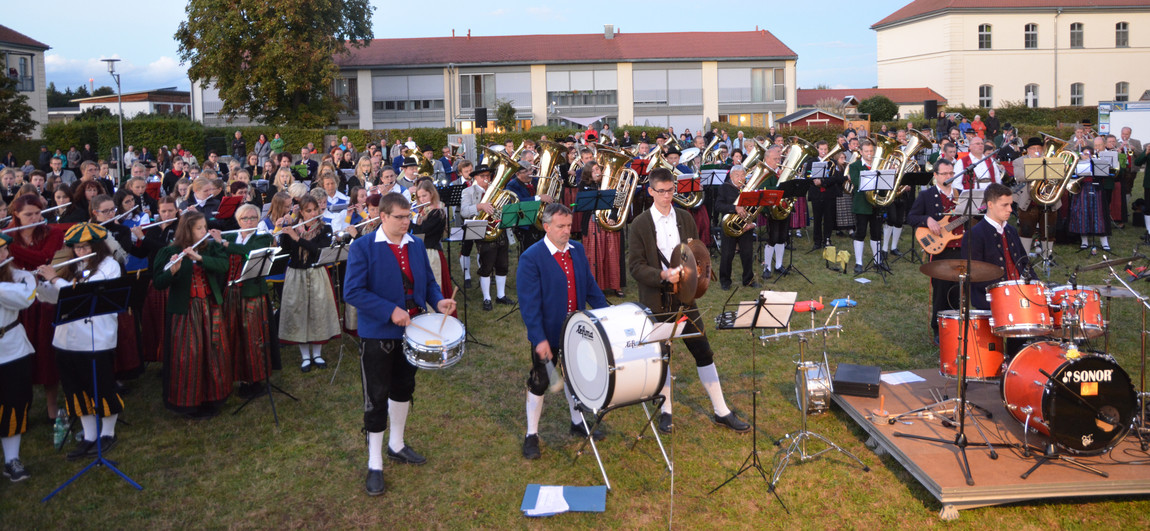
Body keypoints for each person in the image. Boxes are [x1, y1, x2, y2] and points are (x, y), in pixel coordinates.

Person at [344, 192, 456, 496]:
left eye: (409, 217)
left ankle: (396, 444)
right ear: (383, 217)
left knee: (404, 388)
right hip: (377, 333)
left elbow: (429, 282)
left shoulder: (416, 244)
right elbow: (352, 292)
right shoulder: (363, 247)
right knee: (376, 397)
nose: (407, 222)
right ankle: (375, 462)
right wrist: (389, 310)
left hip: (413, 331)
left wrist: (437, 300)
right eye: (400, 217)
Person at [628, 168, 749, 435]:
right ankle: (666, 411)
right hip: (656, 299)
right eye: (661, 191)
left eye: (671, 190)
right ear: (650, 192)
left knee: (703, 350)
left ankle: (722, 411)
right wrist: (661, 275)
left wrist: (699, 273)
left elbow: (695, 253)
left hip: (685, 298)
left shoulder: (684, 218)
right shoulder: (639, 224)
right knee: (663, 356)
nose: (667, 196)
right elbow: (635, 266)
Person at [516, 203, 609, 459]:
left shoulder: (577, 251)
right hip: (547, 333)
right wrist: (539, 339)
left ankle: (577, 422)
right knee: (540, 381)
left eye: (569, 225)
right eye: (561, 226)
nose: (567, 231)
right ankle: (531, 434)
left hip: (576, 330)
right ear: (546, 227)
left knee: (577, 377)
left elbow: (590, 287)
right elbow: (529, 305)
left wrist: (608, 314)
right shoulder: (531, 258)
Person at [35, 223, 124, 459]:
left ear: (97, 246)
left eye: (85, 247)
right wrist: (42, 285)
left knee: (101, 387)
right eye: (76, 248)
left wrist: (55, 279)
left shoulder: (109, 266)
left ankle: (108, 433)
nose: (81, 252)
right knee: (76, 390)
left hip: (96, 339)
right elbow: (58, 298)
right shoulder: (73, 266)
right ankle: (89, 436)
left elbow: (85, 295)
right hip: (66, 341)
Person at [152, 212, 232, 418]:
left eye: (205, 227)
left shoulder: (210, 247)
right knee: (190, 355)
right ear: (187, 230)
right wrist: (173, 270)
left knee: (213, 351)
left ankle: (212, 398)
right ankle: (189, 402)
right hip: (185, 311)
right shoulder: (169, 251)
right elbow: (159, 283)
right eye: (199, 228)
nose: (204, 231)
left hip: (209, 305)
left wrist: (200, 258)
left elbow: (224, 265)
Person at [212, 204, 275, 398]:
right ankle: (235, 376)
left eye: (252, 218)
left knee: (253, 336)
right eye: (244, 219)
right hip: (231, 294)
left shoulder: (263, 237)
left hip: (252, 294)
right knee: (233, 334)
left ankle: (255, 378)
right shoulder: (230, 236)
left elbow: (249, 250)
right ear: (238, 221)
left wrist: (223, 244)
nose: (248, 222)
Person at [277, 195, 341, 371]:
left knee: (317, 312)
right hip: (296, 275)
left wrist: (298, 239)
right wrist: (283, 229)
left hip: (316, 273)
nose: (313, 213)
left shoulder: (325, 228)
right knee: (299, 312)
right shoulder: (294, 228)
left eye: (315, 209)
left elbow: (318, 251)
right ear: (301, 213)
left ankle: (317, 354)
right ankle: (305, 356)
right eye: (308, 210)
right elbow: (286, 250)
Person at [907, 160, 963, 344]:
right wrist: (927, 219)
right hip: (940, 250)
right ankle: (938, 329)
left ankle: (956, 327)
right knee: (941, 290)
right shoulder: (926, 195)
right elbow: (911, 217)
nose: (949, 176)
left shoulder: (961, 195)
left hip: (960, 248)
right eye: (945, 173)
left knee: (959, 290)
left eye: (951, 173)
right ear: (936, 176)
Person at [962, 183, 1035, 312]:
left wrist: (1037, 286)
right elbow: (975, 275)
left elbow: (1024, 262)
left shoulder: (1011, 231)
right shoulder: (974, 234)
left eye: (1011, 204)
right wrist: (1006, 292)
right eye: (1005, 205)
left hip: (1021, 296)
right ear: (990, 205)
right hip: (992, 301)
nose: (1010, 210)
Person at [0, 233, 36, 481]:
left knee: (14, 402)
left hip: (12, 348)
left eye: (4, 250)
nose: (3, 255)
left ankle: (11, 459)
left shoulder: (18, 276)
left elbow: (27, 298)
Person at [459, 164, 513, 310]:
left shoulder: (497, 191)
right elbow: (464, 211)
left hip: (499, 229)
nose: (486, 179)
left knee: (503, 264)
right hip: (482, 231)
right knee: (486, 265)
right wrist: (480, 206)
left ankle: (501, 295)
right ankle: (487, 298)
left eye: (488, 176)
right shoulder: (467, 191)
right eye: (482, 176)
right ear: (475, 177)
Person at [577, 162, 624, 296]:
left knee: (612, 254)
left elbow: (618, 203)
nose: (598, 172)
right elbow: (581, 204)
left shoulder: (611, 182)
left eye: (598, 168)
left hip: (609, 221)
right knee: (593, 254)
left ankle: (615, 285)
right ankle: (595, 285)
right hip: (592, 223)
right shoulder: (584, 186)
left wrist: (613, 216)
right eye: (594, 170)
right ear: (588, 174)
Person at [1012, 137, 1059, 259]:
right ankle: (1024, 256)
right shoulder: (1019, 161)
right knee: (1026, 229)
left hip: (1049, 200)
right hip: (1029, 201)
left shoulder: (1050, 160)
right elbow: (1019, 176)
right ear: (1028, 150)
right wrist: (1039, 170)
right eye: (1033, 148)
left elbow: (1059, 175)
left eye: (1039, 148)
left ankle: (1047, 256)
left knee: (1049, 230)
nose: (1036, 150)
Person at [714, 165, 757, 289]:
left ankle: (748, 280)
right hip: (729, 226)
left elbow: (756, 208)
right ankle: (725, 281)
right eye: (737, 175)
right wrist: (735, 208)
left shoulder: (749, 189)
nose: (740, 178)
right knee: (727, 254)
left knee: (748, 253)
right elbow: (718, 206)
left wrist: (753, 224)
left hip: (745, 226)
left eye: (743, 175)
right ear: (731, 176)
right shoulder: (724, 188)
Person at [850, 140, 888, 273]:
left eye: (871, 151)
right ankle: (858, 263)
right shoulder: (855, 166)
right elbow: (856, 182)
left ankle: (877, 261)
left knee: (876, 233)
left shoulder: (880, 165)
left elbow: (885, 186)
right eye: (866, 151)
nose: (869, 154)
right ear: (860, 152)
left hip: (876, 205)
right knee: (860, 233)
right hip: (862, 205)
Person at [807, 141, 845, 249]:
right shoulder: (811, 161)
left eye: (825, 149)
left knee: (829, 218)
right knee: (817, 218)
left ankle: (827, 239)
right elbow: (807, 175)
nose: (823, 152)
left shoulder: (832, 162)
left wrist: (823, 182)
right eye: (821, 149)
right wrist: (814, 180)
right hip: (816, 194)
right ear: (817, 149)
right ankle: (817, 241)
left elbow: (835, 177)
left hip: (829, 193)